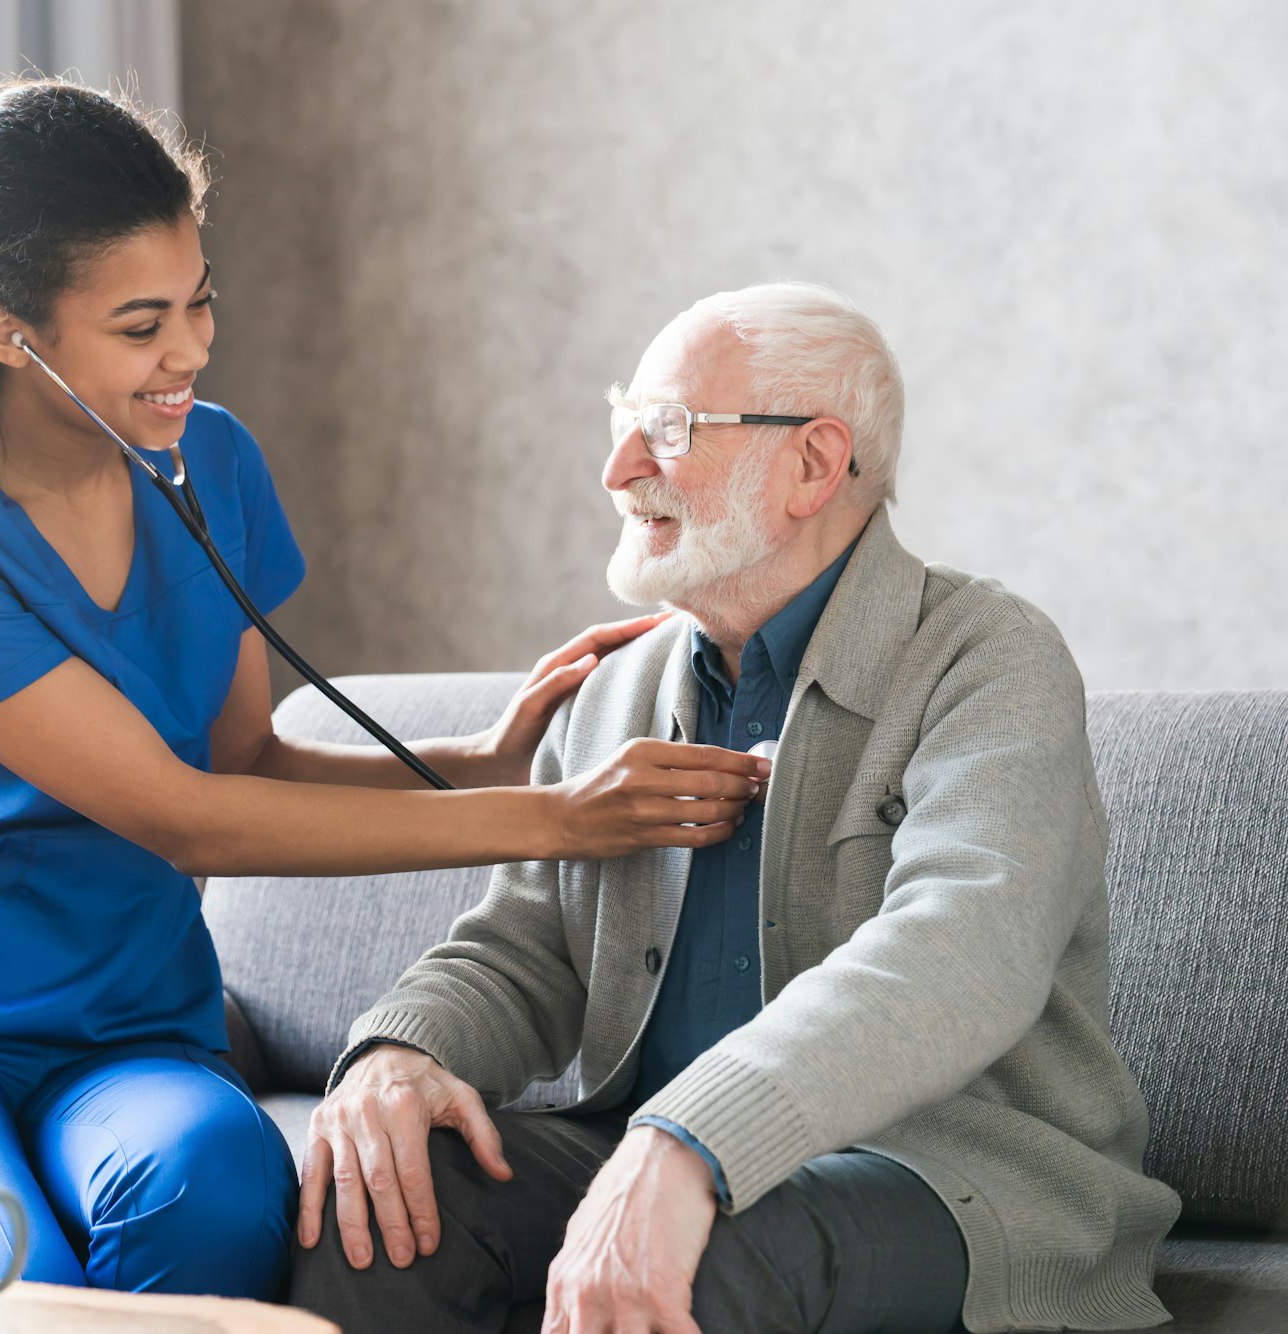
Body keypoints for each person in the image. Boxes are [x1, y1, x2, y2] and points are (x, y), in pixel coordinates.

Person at [0, 79, 773, 1300]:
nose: (187, 351)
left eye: (197, 305)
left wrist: (486, 757)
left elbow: (242, 759)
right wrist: (557, 816)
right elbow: (178, 813)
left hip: (131, 1029)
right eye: (139, 326)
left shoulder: (211, 459)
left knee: (220, 1197)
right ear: (7, 333)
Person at [290, 282, 1181, 1333]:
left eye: (663, 430)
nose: (615, 470)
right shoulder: (613, 685)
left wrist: (690, 1138)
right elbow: (521, 951)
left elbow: (959, 952)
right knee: (386, 1202)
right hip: (655, 1146)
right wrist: (403, 1051)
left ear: (811, 462)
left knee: (718, 1253)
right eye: (623, 425)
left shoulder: (985, 658)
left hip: (947, 1175)